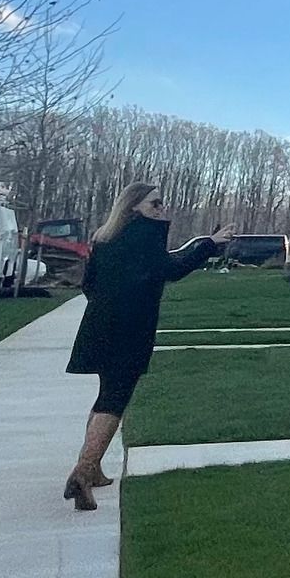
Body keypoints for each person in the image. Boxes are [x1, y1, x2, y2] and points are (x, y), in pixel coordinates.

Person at [61, 182, 227, 509]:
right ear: (134, 205)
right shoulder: (145, 233)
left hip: (100, 326)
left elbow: (88, 284)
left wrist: (108, 305)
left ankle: (92, 468)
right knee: (115, 399)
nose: (161, 208)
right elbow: (172, 269)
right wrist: (210, 245)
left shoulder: (105, 237)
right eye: (155, 203)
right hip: (130, 330)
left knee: (106, 394)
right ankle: (81, 473)